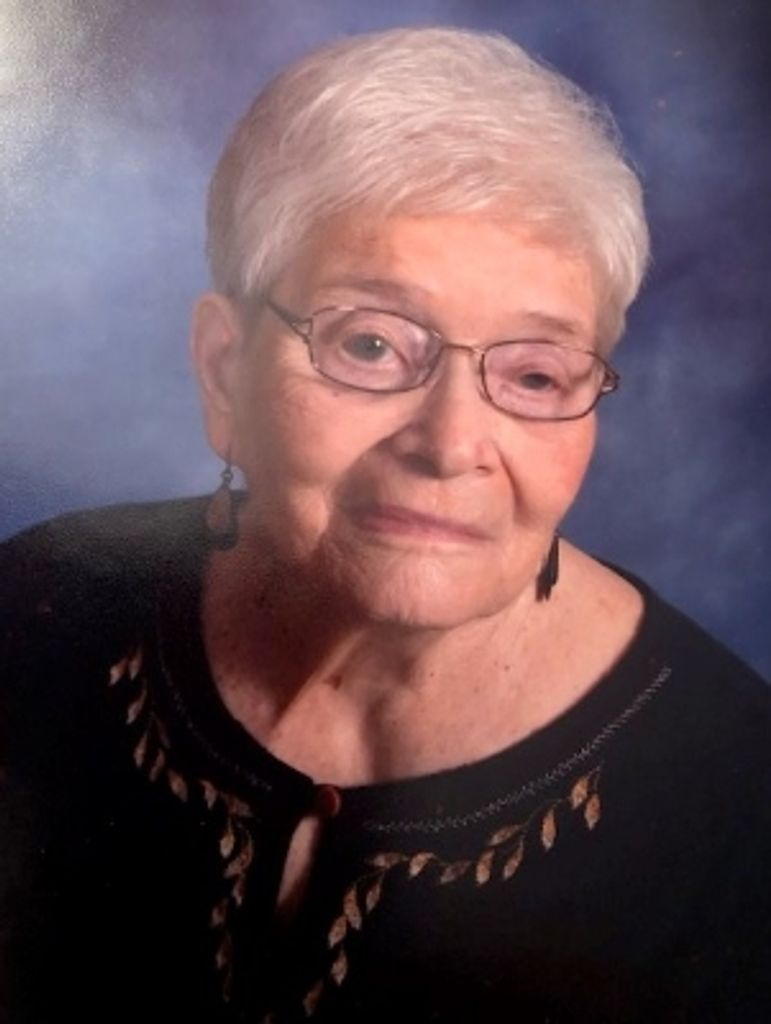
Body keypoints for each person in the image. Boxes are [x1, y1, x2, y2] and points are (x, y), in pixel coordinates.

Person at [1, 25, 769, 1024]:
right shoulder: (36, 610)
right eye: (370, 344)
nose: (451, 444)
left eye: (535, 374)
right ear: (226, 373)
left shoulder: (740, 805)